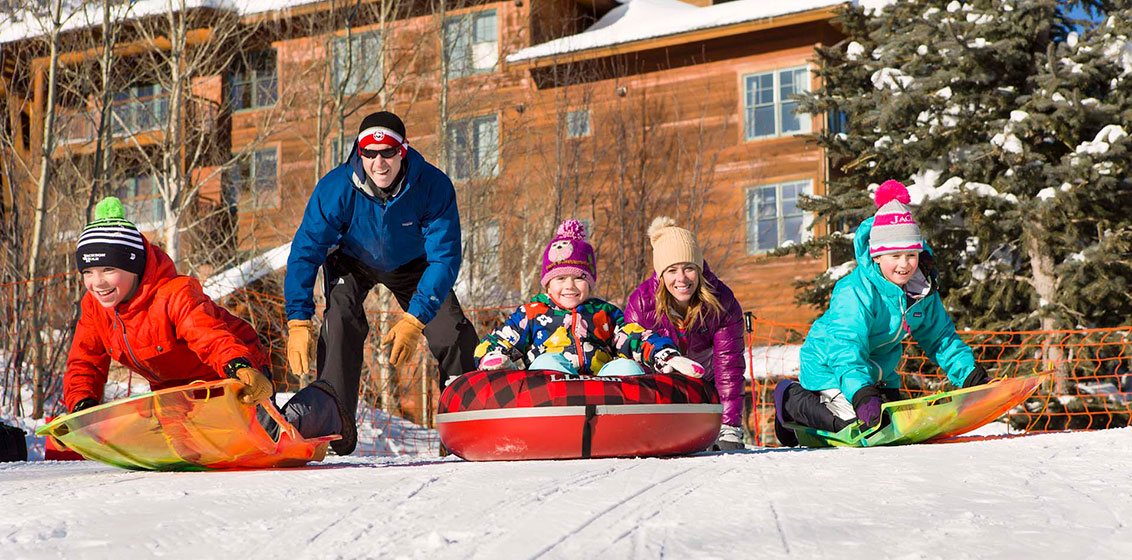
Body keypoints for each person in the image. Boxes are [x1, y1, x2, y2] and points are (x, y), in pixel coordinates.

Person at [63, 198, 352, 448]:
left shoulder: (174, 294)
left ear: (134, 266)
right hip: (177, 396)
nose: (97, 283)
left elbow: (209, 337)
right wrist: (82, 405)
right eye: (88, 271)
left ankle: (325, 405)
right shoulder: (95, 308)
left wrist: (239, 367)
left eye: (108, 269)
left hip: (230, 372)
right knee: (186, 451)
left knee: (268, 441)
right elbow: (84, 362)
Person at [284, 111, 479, 455]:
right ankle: (334, 426)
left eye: (387, 152)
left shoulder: (432, 186)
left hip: (413, 263)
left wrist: (415, 318)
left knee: (451, 332)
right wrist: (298, 320)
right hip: (352, 260)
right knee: (340, 321)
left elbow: (444, 258)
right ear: (359, 153)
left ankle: (463, 428)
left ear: (403, 151)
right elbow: (305, 252)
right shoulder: (335, 188)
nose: (379, 163)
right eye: (369, 153)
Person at [773, 180, 991, 446]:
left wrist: (969, 374)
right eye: (895, 256)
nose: (904, 264)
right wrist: (862, 393)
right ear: (876, 256)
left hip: (879, 374)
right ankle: (788, 399)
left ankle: (862, 399)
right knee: (856, 427)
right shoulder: (854, 291)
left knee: (890, 424)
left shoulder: (921, 289)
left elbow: (940, 337)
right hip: (829, 367)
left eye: (911, 255)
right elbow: (845, 347)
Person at [475, 219, 704, 379]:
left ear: (591, 283)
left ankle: (626, 421)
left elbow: (635, 336)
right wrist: (493, 356)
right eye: (560, 278)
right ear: (547, 284)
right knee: (547, 364)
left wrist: (666, 356)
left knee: (627, 367)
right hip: (551, 392)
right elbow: (502, 338)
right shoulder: (532, 313)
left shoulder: (603, 313)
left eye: (579, 278)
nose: (569, 286)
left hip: (599, 387)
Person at [625, 217, 747, 451]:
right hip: (662, 390)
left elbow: (728, 366)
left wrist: (729, 425)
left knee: (723, 446)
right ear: (661, 274)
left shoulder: (722, 302)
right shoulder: (642, 303)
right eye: (672, 270)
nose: (681, 278)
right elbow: (636, 364)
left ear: (699, 269)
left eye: (689, 268)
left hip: (706, 389)